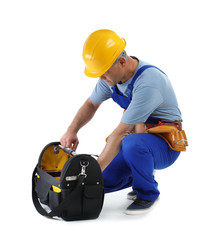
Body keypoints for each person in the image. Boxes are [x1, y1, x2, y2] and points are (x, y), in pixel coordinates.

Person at [60, 29, 186, 215]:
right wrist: (72, 130)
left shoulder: (149, 81)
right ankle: (141, 172)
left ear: (122, 61)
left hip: (165, 144)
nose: (101, 79)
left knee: (128, 144)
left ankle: (148, 193)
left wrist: (95, 169)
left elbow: (120, 132)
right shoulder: (111, 77)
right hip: (137, 137)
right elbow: (91, 104)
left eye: (104, 73)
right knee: (104, 181)